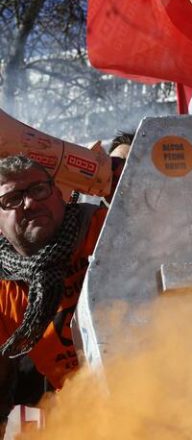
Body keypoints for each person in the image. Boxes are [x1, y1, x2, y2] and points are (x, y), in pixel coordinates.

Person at [0, 155, 107, 430]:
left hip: (157, 388)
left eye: (39, 190)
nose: (30, 203)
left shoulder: (104, 227)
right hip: (85, 420)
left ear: (58, 193)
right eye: (12, 199)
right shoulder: (5, 288)